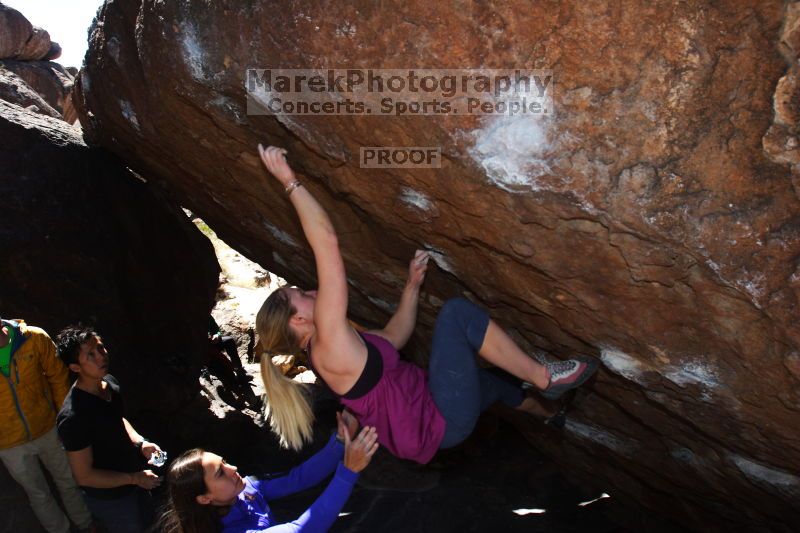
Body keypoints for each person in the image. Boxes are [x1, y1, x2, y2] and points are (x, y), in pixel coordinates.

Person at [253, 145, 599, 463]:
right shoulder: (327, 344)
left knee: (495, 384)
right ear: (297, 320)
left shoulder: (334, 349)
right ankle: (544, 377)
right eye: (300, 293)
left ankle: (552, 414)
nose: (310, 290)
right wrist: (289, 181)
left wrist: (411, 287)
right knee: (456, 315)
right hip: (438, 418)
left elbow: (393, 338)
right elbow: (326, 242)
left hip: (433, 403)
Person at [160, 410, 377, 533]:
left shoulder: (245, 491)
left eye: (225, 462)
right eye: (220, 472)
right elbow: (300, 529)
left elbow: (297, 479)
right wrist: (347, 471)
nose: (233, 468)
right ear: (204, 498)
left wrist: (339, 442)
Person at [55, 326, 164, 533]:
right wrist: (135, 478)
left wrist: (140, 442)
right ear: (75, 367)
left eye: (101, 348)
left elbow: (117, 418)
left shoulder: (108, 383)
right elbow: (84, 475)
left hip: (135, 479)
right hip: (111, 499)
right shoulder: (74, 417)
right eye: (90, 355)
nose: (101, 357)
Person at [0, 318, 94, 533]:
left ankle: (86, 524)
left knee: (68, 479)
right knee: (38, 492)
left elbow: (58, 377)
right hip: (8, 442)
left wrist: (64, 419)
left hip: (47, 427)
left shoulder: (33, 338)